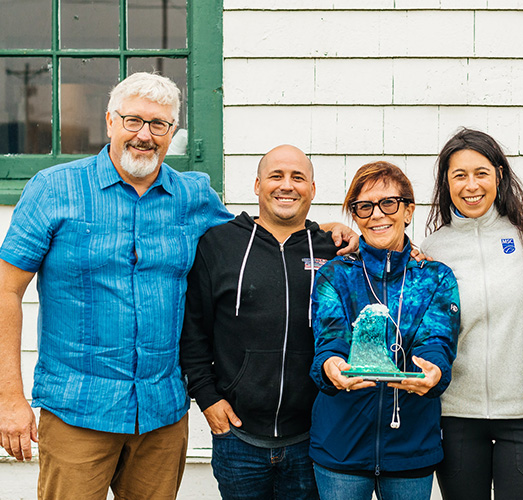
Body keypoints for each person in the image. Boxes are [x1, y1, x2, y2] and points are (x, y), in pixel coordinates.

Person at [0, 72, 231, 499]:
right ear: (110, 121)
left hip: (161, 415)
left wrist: (323, 234)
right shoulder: (55, 189)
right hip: (77, 411)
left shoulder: (193, 195)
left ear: (172, 133)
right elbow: (5, 290)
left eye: (158, 125)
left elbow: (250, 245)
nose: (144, 135)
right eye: (133, 121)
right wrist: (9, 399)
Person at [181, 145, 347, 499]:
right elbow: (194, 331)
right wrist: (207, 398)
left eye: (298, 177)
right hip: (239, 439)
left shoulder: (334, 252)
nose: (286, 186)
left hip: (312, 439)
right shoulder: (218, 244)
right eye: (276, 176)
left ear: (313, 190)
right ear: (257, 185)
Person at [309, 161, 460, 500]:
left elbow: (436, 339)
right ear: (355, 215)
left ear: (408, 210)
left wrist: (434, 370)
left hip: (411, 446)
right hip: (341, 447)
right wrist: (330, 366)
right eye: (364, 206)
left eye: (388, 203)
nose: (377, 214)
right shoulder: (335, 275)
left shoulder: (434, 277)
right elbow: (329, 338)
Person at [421, 128, 523, 500]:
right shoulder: (432, 250)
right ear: (446, 183)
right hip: (456, 414)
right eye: (458, 175)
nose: (471, 185)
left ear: (499, 174)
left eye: (480, 172)